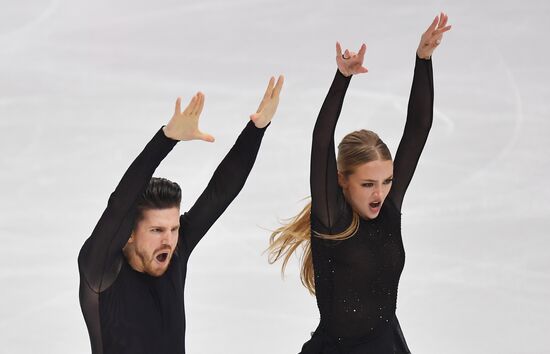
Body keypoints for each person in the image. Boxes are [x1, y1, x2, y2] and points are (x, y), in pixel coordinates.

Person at [268, 13, 451, 353]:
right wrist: (342, 78)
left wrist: (423, 59)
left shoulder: (388, 207)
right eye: (368, 184)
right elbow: (321, 141)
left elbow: (419, 126)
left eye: (386, 181)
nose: (380, 193)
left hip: (386, 344)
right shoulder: (330, 219)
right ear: (342, 181)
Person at [78, 75, 284, 354]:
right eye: (156, 230)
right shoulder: (100, 269)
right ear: (128, 233)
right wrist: (165, 139)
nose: (169, 240)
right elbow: (119, 205)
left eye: (173, 229)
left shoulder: (176, 252)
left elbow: (220, 193)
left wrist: (257, 129)